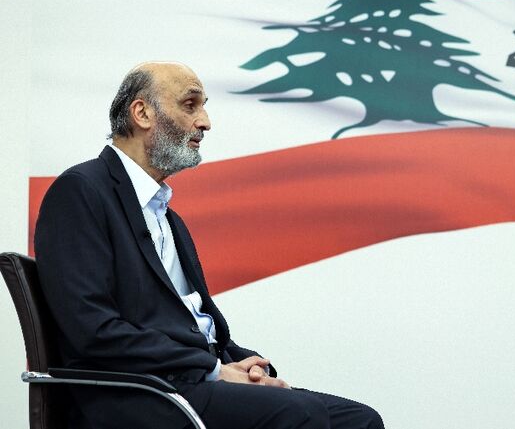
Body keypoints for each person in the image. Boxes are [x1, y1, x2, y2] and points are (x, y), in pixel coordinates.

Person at [34, 61, 384, 429]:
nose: (205, 122)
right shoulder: (81, 191)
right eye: (190, 105)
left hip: (187, 382)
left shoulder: (169, 218)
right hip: (136, 396)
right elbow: (93, 331)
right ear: (142, 113)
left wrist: (242, 365)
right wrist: (214, 369)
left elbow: (189, 325)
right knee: (299, 414)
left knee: (358, 421)